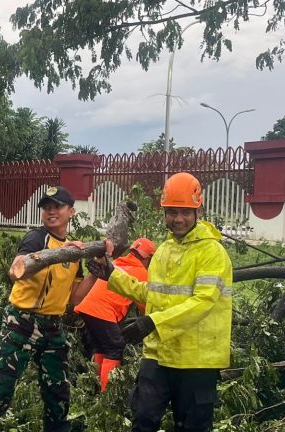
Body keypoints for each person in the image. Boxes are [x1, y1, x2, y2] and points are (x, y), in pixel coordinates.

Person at [87, 172, 233, 432]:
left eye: (185, 212)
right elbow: (150, 292)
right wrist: (111, 274)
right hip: (158, 354)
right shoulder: (164, 250)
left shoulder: (212, 252)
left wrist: (152, 322)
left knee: (191, 427)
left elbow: (203, 302)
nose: (178, 219)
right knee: (143, 420)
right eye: (172, 212)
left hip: (196, 360)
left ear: (197, 211)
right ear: (164, 212)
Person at [0, 186, 94, 432]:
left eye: (57, 206)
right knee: (1, 387)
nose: (51, 212)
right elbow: (17, 269)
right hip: (22, 323)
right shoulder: (36, 238)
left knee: (58, 392)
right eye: (46, 207)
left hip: (52, 327)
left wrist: (98, 275)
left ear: (71, 211)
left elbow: (75, 299)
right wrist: (61, 252)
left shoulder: (74, 252)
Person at [72, 237, 157, 392]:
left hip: (87, 308)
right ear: (148, 259)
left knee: (101, 347)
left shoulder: (116, 263)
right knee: (115, 348)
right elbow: (145, 305)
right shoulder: (141, 272)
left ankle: (94, 387)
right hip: (103, 312)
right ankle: (107, 393)